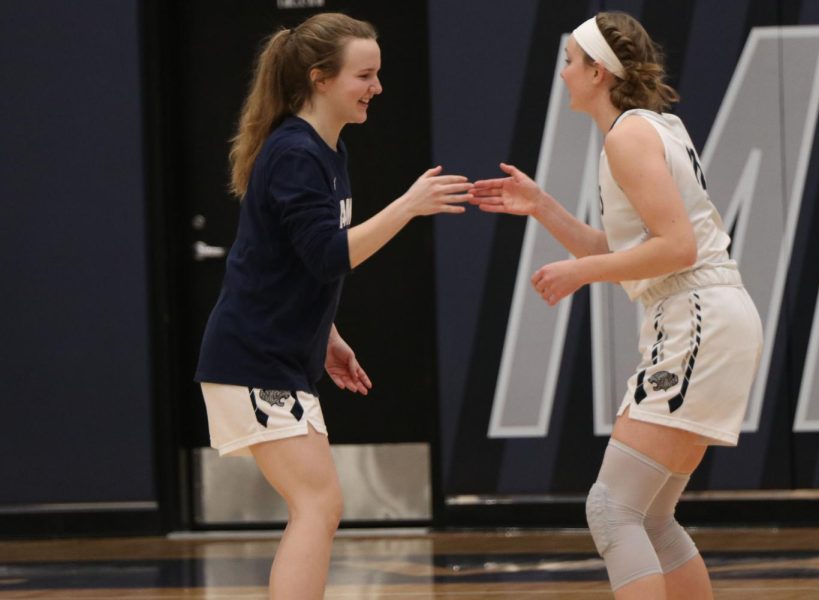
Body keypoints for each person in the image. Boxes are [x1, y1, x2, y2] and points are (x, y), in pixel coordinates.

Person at [470, 11, 763, 600]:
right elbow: (634, 248)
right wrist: (543, 207)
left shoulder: (630, 136)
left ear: (598, 73)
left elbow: (676, 248)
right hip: (707, 315)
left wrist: (580, 273)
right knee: (649, 517)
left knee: (612, 509)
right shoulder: (655, 126)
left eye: (571, 62)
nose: (563, 74)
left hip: (695, 319)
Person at [194, 13, 471, 600]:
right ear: (320, 79)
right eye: (363, 75)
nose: (376, 87)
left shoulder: (325, 149)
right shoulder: (297, 153)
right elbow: (327, 256)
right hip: (251, 360)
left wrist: (328, 332)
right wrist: (408, 206)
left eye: (377, 74)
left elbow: (290, 261)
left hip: (277, 357)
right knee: (318, 504)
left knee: (319, 505)